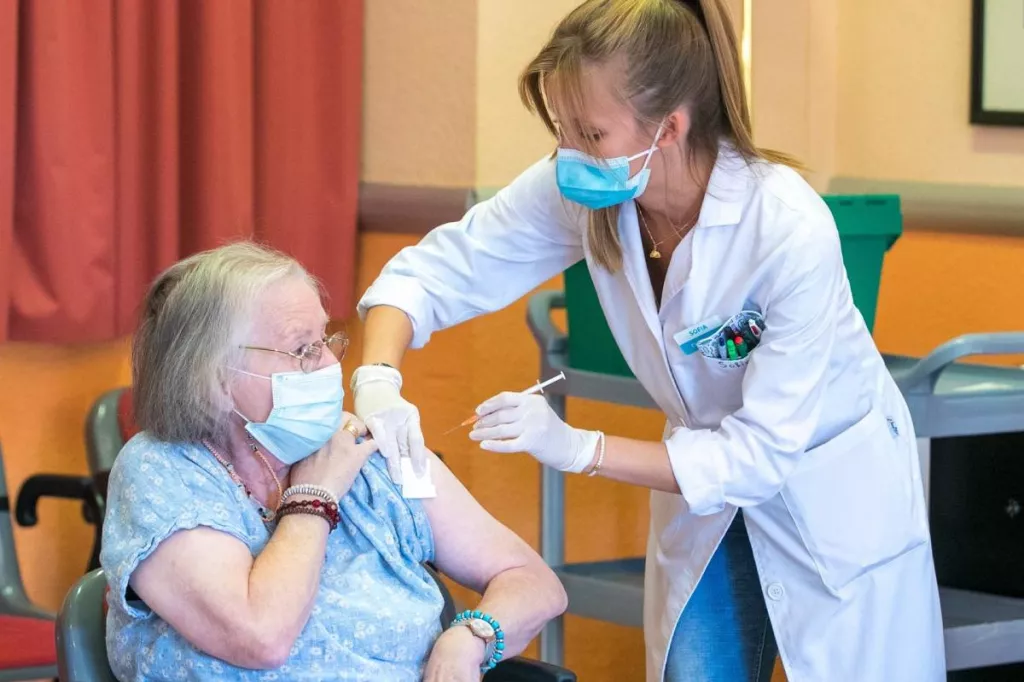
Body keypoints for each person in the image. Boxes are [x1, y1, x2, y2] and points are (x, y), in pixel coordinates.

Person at [351, 1, 945, 680]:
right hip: (705, 494)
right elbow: (440, 270)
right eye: (561, 129)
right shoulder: (585, 188)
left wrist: (580, 448)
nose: (569, 153)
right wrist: (377, 381)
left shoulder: (785, 228)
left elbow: (757, 456)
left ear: (668, 128)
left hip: (828, 492)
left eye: (591, 132)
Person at [100, 242, 567, 682]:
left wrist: (470, 638)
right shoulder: (162, 472)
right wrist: (313, 497)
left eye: (325, 339)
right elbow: (261, 637)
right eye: (302, 350)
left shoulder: (363, 450)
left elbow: (533, 582)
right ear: (213, 380)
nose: (328, 365)